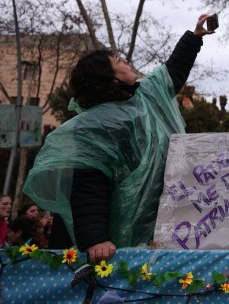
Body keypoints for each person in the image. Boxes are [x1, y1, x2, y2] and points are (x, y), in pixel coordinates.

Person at [23, 14, 215, 262]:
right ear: (109, 77)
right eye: (118, 60)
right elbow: (87, 187)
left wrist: (194, 37)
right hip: (116, 244)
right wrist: (95, 240)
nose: (125, 60)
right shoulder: (94, 126)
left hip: (163, 225)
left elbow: (172, 71)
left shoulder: (147, 96)